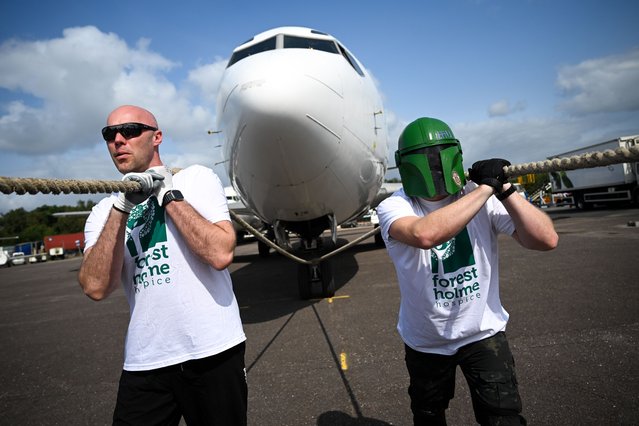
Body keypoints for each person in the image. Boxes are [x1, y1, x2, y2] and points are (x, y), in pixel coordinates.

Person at [376, 117, 558, 426]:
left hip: (483, 331)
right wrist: (485, 188)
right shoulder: (395, 205)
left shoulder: (481, 194)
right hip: (426, 340)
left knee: (503, 417)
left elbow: (545, 240)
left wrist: (506, 189)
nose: (435, 166)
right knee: (429, 415)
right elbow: (425, 235)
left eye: (440, 155)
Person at [78, 105, 247, 425]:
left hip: (213, 351)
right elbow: (96, 287)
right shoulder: (103, 211)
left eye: (129, 131)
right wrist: (121, 208)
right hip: (146, 361)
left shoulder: (197, 179)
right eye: (109, 134)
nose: (117, 140)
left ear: (156, 137)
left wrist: (167, 194)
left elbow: (220, 254)